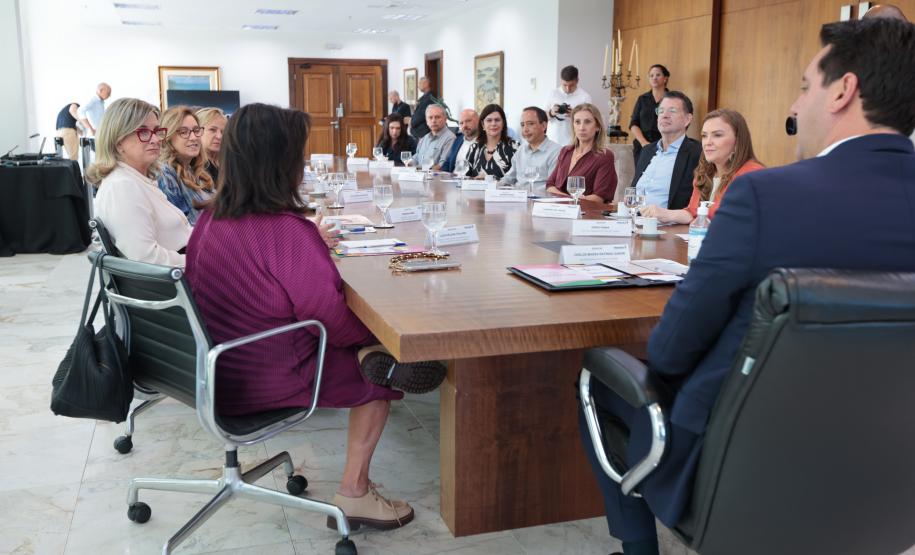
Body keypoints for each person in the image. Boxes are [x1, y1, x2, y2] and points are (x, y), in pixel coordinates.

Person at [579, 18, 915, 555]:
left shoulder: (766, 195)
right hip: (891, 476)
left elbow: (669, 350)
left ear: (843, 92)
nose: (795, 106)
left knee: (600, 380)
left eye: (806, 86)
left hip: (742, 467)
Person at [185, 102, 448, 532]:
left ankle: (374, 357)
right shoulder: (286, 230)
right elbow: (326, 315)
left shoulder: (210, 218)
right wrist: (374, 336)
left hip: (220, 367)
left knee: (373, 351)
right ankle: (355, 493)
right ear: (279, 162)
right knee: (380, 372)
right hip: (271, 370)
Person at [87, 98, 191, 266]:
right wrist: (205, 262)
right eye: (143, 132)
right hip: (176, 283)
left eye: (157, 131)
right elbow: (146, 259)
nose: (156, 140)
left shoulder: (137, 180)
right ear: (118, 141)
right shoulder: (122, 186)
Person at [641, 109, 764, 224]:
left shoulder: (753, 174)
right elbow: (693, 212)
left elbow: (732, 217)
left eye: (717, 135)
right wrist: (665, 214)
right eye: (704, 136)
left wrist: (698, 214)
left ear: (738, 140)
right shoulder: (705, 172)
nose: (707, 142)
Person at [631, 91, 702, 211]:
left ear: (687, 119)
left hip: (668, 225)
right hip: (633, 220)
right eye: (661, 111)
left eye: (672, 111)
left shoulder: (697, 152)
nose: (664, 115)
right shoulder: (647, 151)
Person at [545, 103, 617, 203]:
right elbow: (550, 185)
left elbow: (599, 197)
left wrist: (565, 200)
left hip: (587, 214)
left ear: (597, 127)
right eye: (577, 122)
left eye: (587, 122)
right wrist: (570, 200)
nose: (581, 127)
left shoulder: (604, 156)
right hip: (560, 210)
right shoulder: (566, 151)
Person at [156, 106, 215, 225]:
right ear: (168, 138)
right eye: (184, 132)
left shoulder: (194, 171)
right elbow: (182, 228)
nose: (194, 137)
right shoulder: (165, 174)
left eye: (196, 130)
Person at [501, 106, 562, 190]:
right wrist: (494, 186)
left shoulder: (557, 152)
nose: (525, 129)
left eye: (530, 124)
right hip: (517, 198)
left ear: (543, 126)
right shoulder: (521, 150)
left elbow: (552, 186)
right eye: (522, 125)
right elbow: (509, 178)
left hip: (540, 200)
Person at [629, 64, 670, 163]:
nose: (654, 78)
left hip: (664, 145)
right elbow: (633, 124)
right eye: (651, 76)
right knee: (641, 176)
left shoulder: (672, 99)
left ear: (665, 78)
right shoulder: (642, 99)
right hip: (642, 146)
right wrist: (644, 143)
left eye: (658, 75)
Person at [466, 104, 517, 179]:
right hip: (476, 190)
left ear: (503, 123)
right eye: (489, 120)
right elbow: (466, 177)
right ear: (483, 124)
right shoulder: (474, 148)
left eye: (497, 120)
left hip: (502, 190)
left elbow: (517, 179)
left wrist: (490, 179)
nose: (493, 124)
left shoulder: (514, 147)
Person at [546, 65, 593, 146]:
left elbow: (590, 122)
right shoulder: (553, 93)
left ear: (577, 80)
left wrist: (575, 115)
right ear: (561, 80)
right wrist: (551, 113)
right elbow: (542, 118)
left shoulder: (585, 97)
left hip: (574, 143)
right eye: (565, 85)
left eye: (571, 85)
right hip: (552, 141)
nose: (568, 89)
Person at [411, 104, 456, 169]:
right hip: (419, 176)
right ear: (427, 121)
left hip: (435, 177)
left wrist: (421, 170)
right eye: (430, 117)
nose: (433, 121)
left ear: (445, 119)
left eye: (437, 117)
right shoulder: (424, 138)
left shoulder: (450, 138)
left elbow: (442, 165)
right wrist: (404, 166)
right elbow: (416, 158)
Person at [441, 108, 479, 174]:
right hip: (451, 180)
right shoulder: (458, 139)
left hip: (469, 181)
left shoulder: (486, 141)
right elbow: (448, 162)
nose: (464, 125)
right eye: (461, 123)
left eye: (468, 121)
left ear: (478, 121)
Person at [196, 107, 227, 183]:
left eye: (223, 132)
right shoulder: (191, 168)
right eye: (212, 130)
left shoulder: (228, 165)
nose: (219, 136)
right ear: (197, 131)